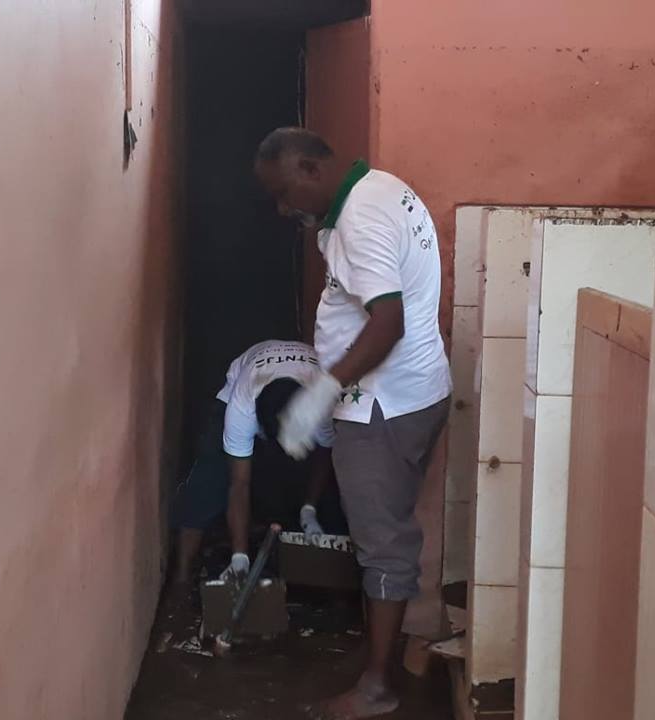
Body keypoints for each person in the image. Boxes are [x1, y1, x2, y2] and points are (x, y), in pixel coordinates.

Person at [255, 128, 452, 720]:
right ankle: (382, 656)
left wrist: (324, 390)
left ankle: (377, 689)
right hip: (414, 392)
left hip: (381, 406)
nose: (283, 209)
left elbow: (387, 322)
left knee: (382, 545)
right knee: (387, 533)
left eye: (285, 192)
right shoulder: (380, 189)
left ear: (311, 168)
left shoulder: (360, 220)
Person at [171, 339, 337, 586]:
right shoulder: (242, 404)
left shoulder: (321, 403)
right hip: (247, 379)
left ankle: (322, 565)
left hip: (306, 391)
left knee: (334, 477)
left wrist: (309, 510)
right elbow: (239, 483)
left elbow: (325, 453)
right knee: (208, 480)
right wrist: (239, 557)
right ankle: (181, 578)